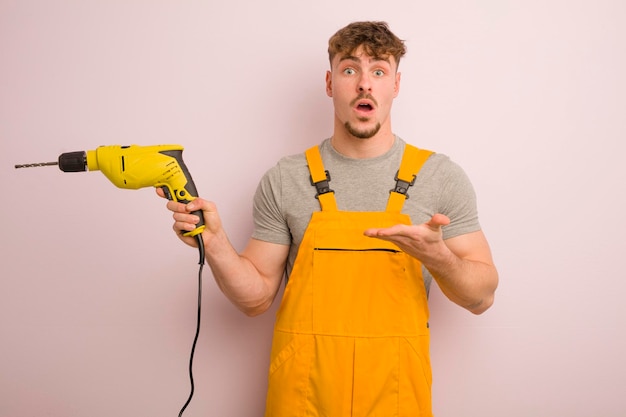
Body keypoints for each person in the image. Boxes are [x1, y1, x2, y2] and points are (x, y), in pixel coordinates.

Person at [160, 21, 498, 417]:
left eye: (379, 71)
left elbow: (482, 297)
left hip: (396, 395)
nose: (364, 85)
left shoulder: (440, 177)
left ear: (396, 85)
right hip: (303, 397)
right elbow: (255, 299)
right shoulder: (286, 179)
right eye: (350, 69)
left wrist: (438, 257)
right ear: (329, 81)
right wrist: (215, 242)